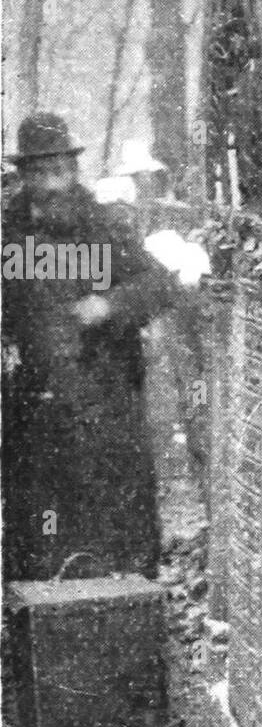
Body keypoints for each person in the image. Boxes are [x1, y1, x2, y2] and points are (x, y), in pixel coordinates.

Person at [2, 113, 180, 582]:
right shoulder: (7, 234)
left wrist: (110, 305)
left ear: (74, 170)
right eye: (41, 173)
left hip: (106, 406)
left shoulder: (103, 226)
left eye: (60, 171)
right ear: (24, 176)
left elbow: (160, 285)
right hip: (36, 412)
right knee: (43, 532)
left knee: (115, 527)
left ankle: (123, 607)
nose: (53, 184)